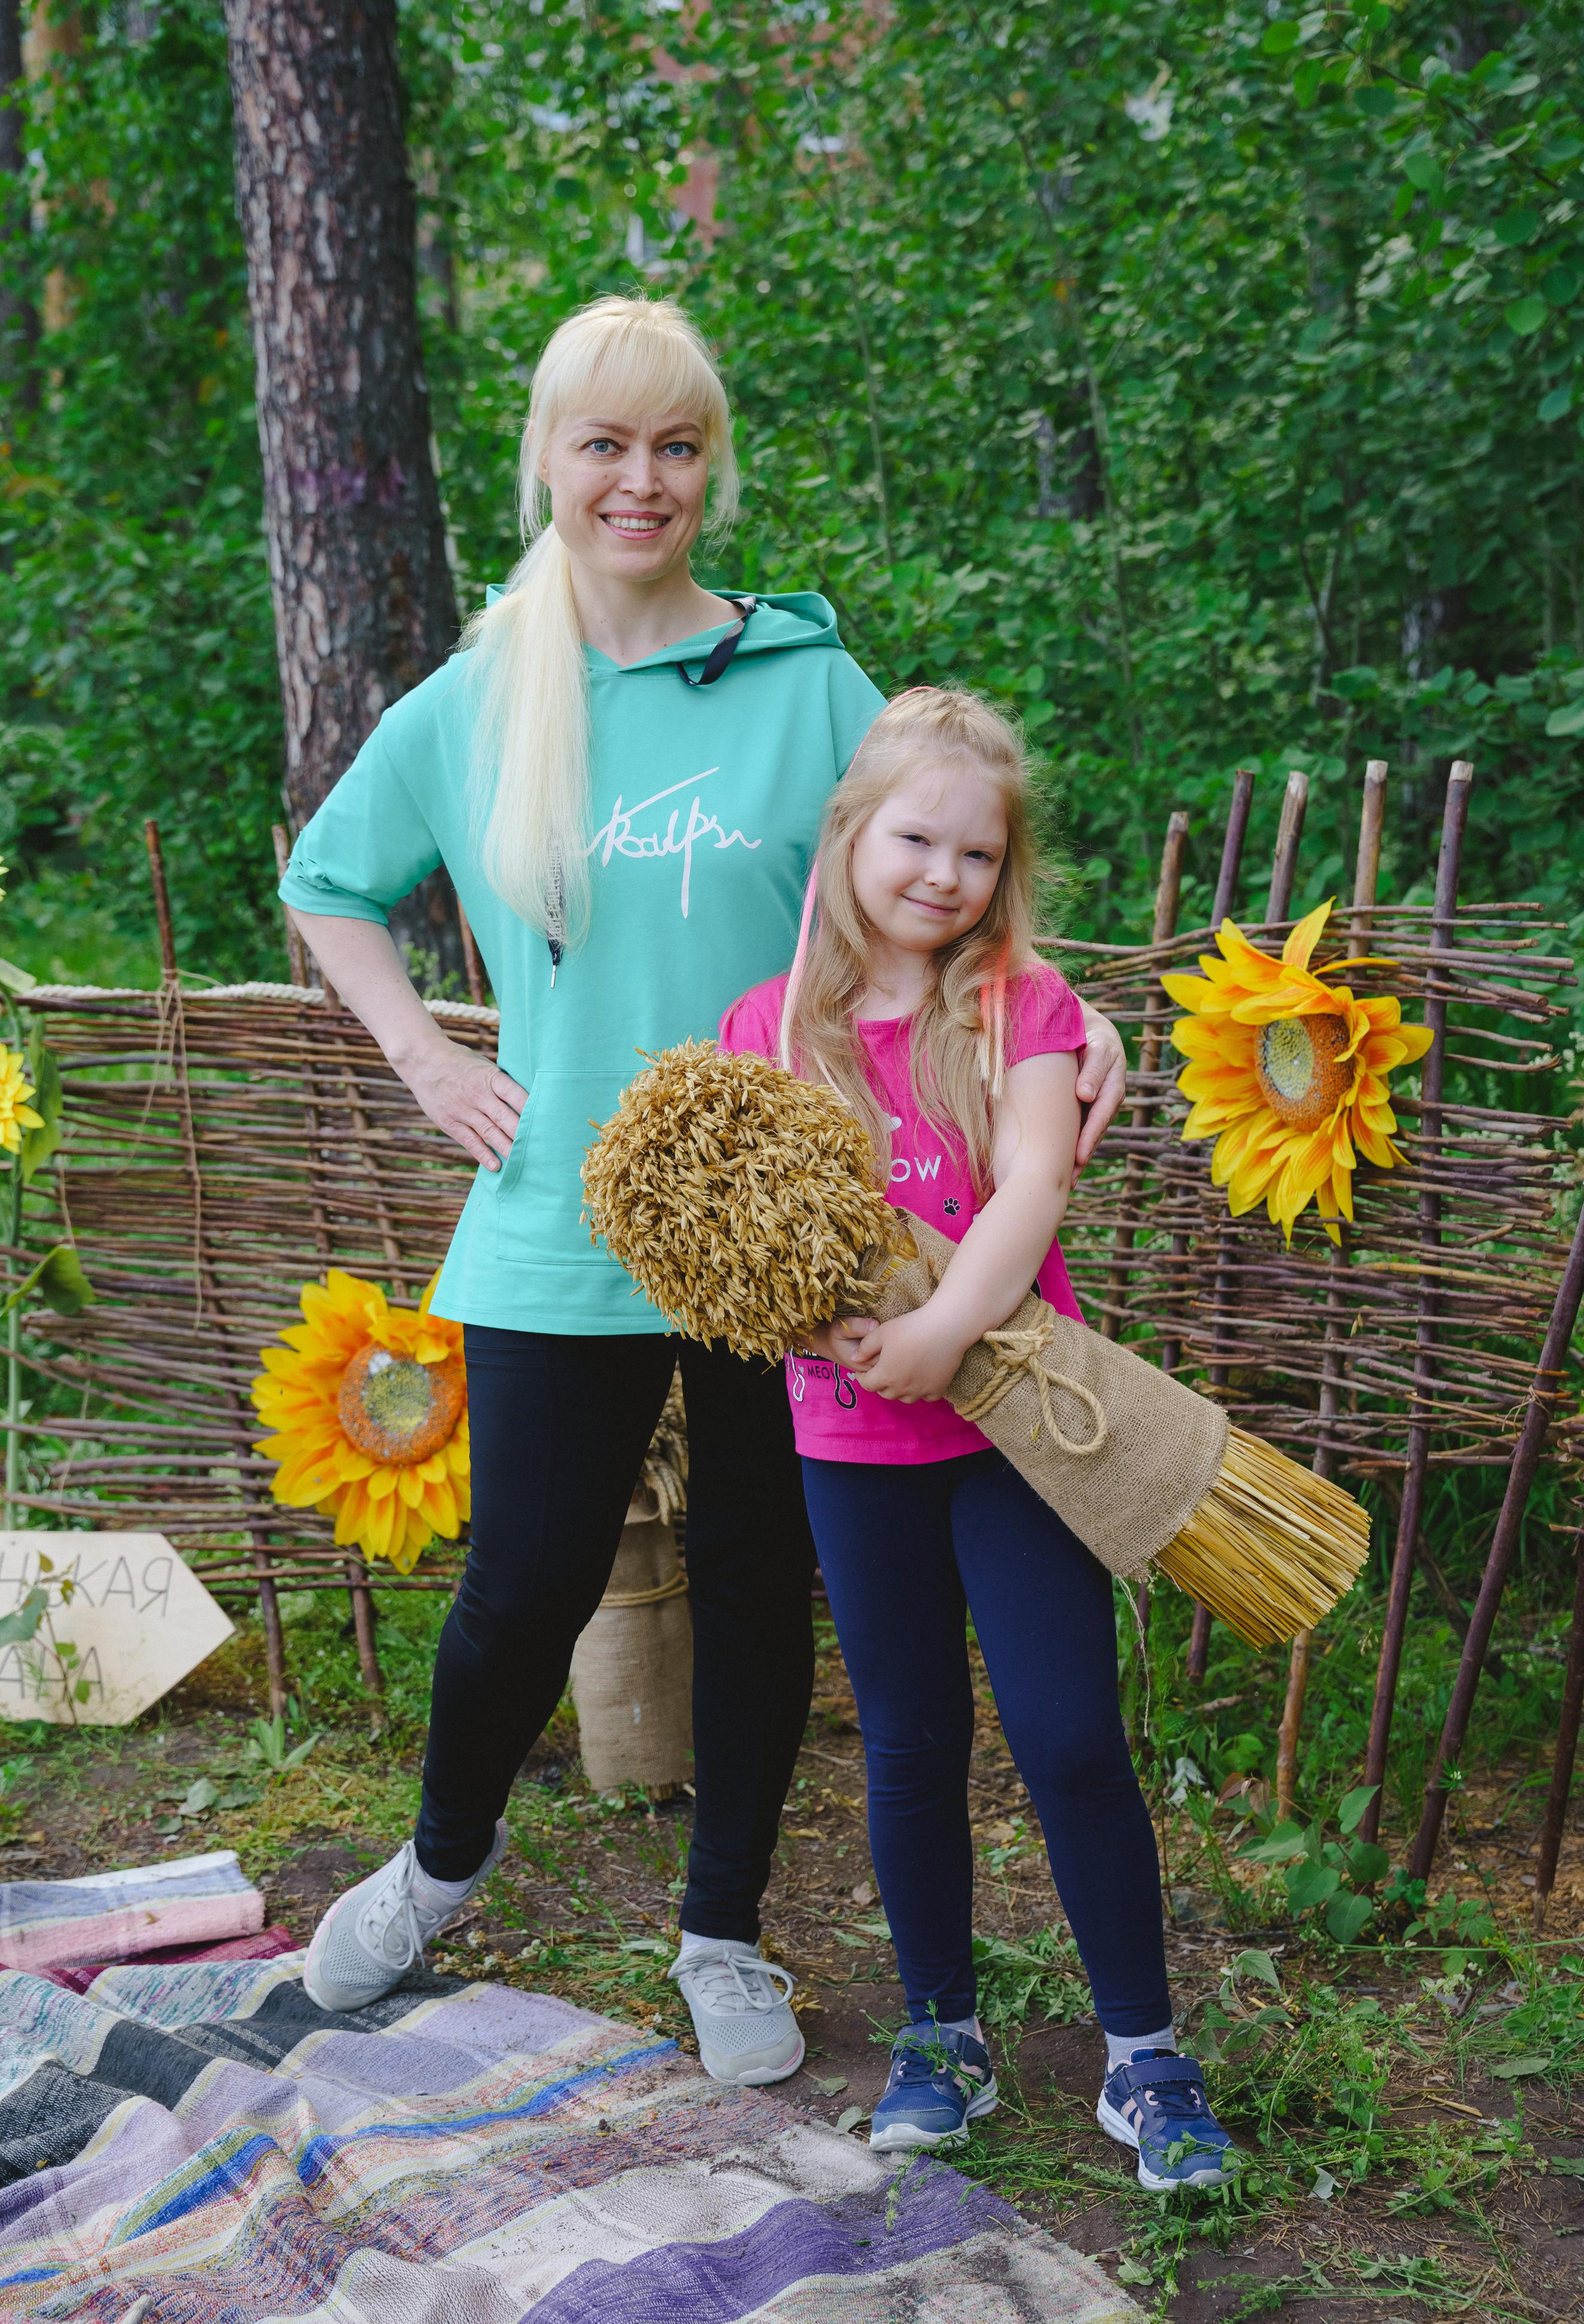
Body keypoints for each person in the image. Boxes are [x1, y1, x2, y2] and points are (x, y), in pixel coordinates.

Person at [278, 295, 1129, 2086]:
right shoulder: (482, 694)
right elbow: (328, 883)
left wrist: (1076, 1016)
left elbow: (935, 856)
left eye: (676, 446)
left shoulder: (803, 679)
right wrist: (429, 1059)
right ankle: (441, 1865)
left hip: (801, 1224)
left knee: (761, 1576)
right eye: (604, 444)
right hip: (554, 1218)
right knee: (524, 1579)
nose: (640, 481)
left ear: (709, 467)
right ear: (550, 461)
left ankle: (722, 1932)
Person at [718, 687, 1234, 2189]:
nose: (940, 875)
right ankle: (941, 2028)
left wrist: (942, 1339)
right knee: (907, 1740)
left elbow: (1026, 1189)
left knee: (1068, 1734)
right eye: (913, 840)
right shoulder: (769, 1029)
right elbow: (754, 1241)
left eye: (975, 854)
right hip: (850, 1441)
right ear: (848, 838)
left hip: (1016, 1430)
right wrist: (827, 1330)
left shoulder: (1021, 1005)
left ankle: (1142, 2054)